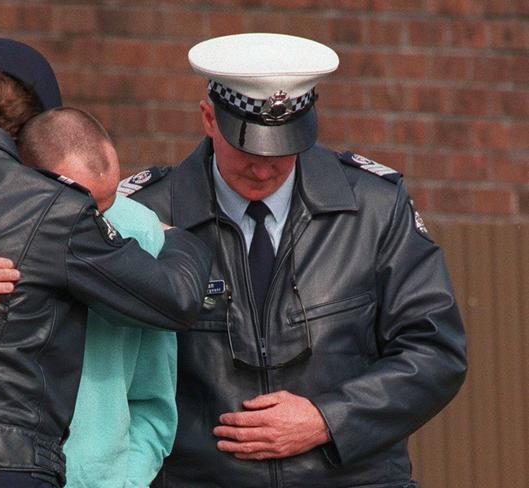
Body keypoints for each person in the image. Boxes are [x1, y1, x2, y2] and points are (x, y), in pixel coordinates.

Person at [117, 33, 468, 487]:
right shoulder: (144, 217)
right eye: (249, 148)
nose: (264, 168)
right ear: (209, 118)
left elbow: (435, 350)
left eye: (282, 150)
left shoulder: (376, 209)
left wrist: (327, 420)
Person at [0, 38, 211, 488]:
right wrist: (185, 241)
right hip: (10, 465)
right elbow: (176, 298)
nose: (94, 215)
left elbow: (152, 396)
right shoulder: (50, 209)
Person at [16, 107, 179, 488]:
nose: (103, 222)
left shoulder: (140, 230)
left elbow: (154, 399)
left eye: (110, 202)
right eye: (88, 207)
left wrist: (125, 481)